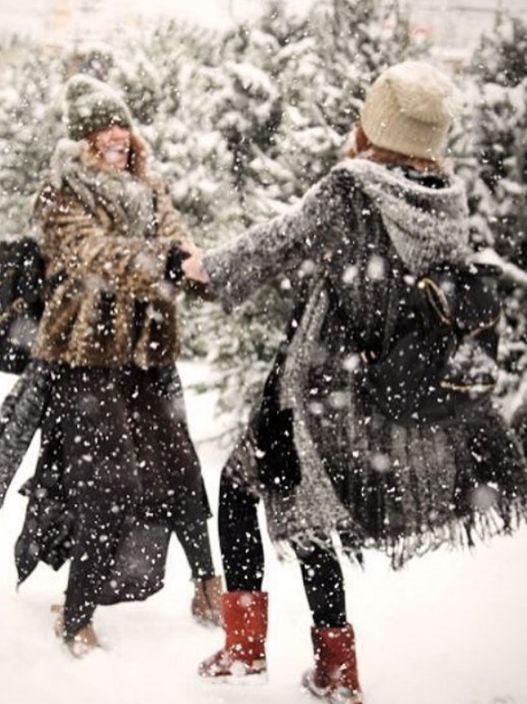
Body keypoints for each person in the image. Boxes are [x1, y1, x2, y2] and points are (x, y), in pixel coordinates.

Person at [182, 61, 527, 703]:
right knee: (304, 513)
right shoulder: (443, 200)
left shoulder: (352, 188)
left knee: (245, 491)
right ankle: (332, 668)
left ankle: (256, 652)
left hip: (317, 387)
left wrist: (204, 269)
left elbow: (278, 242)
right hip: (370, 394)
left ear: (376, 125)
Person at [13, 74, 221, 656]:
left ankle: (208, 585)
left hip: (147, 355)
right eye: (102, 132)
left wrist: (196, 265)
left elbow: (178, 242)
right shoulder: (61, 194)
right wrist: (167, 264)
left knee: (180, 471)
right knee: (109, 485)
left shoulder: (150, 188)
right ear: (82, 141)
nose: (116, 139)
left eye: (122, 129)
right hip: (85, 359)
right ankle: (77, 614)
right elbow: (96, 255)